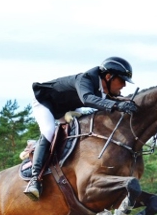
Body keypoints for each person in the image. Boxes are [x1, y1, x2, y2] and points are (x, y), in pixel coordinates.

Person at [24, 56, 139, 201]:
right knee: (49, 131)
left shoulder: (103, 89)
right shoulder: (85, 79)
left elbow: (112, 102)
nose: (124, 85)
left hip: (67, 108)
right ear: (109, 77)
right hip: (46, 103)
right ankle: (35, 179)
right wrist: (116, 105)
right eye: (122, 80)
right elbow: (87, 99)